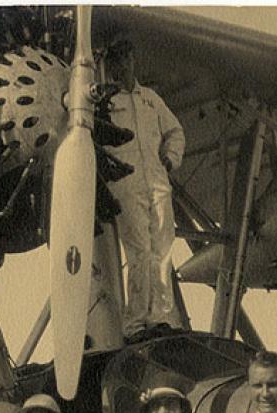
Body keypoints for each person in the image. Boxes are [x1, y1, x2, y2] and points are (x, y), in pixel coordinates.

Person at [105, 38, 186, 339]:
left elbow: (175, 131)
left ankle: (162, 317)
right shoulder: (108, 102)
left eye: (126, 57)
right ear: (110, 63)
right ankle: (136, 322)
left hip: (156, 179)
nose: (122, 64)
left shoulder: (150, 99)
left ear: (132, 60)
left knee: (163, 247)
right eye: (116, 58)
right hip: (127, 182)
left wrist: (171, 158)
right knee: (139, 250)